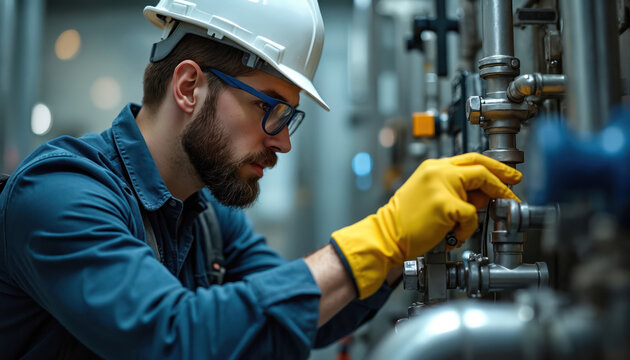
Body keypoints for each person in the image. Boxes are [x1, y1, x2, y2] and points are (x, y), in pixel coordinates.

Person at [0, 0, 521, 358]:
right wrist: (379, 236)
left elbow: (307, 313)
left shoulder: (206, 218)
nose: (283, 141)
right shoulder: (60, 193)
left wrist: (400, 248)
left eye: (289, 117)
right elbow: (176, 338)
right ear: (189, 87)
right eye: (268, 108)